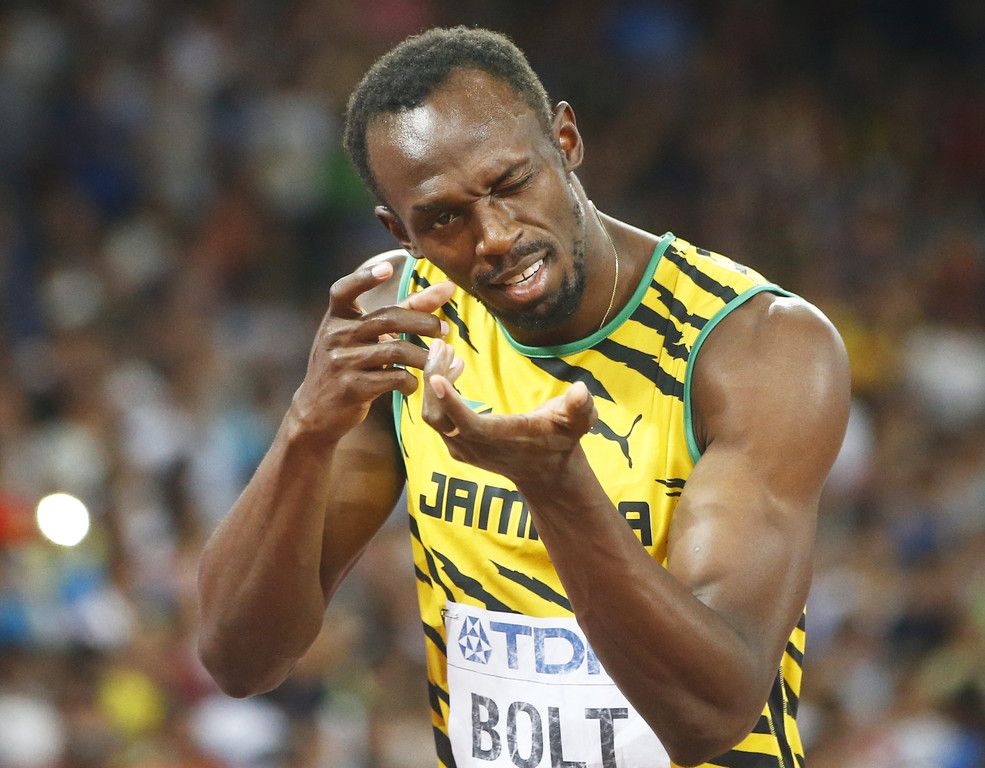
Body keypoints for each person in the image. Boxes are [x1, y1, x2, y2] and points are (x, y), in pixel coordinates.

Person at [197, 26, 850, 768]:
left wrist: (556, 487)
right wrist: (305, 428)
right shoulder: (407, 326)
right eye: (443, 218)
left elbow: (711, 714)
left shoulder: (754, 346)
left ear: (565, 141)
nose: (496, 236)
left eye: (510, 184)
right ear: (399, 230)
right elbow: (238, 659)